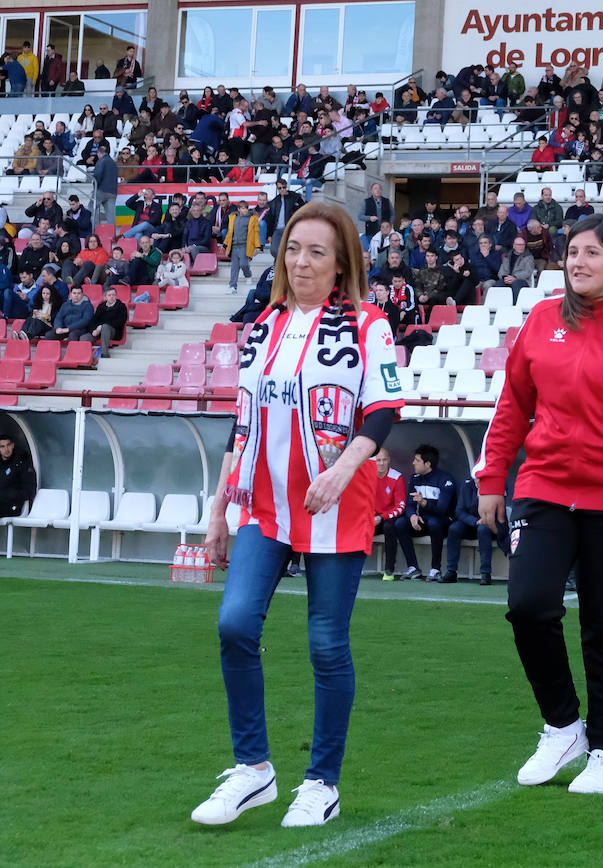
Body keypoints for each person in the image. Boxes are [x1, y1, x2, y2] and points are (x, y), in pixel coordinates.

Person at [192, 202, 404, 828]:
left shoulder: (369, 324)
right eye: (292, 250)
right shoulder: (263, 324)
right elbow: (242, 421)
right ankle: (253, 770)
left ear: (341, 263)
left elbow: (385, 409)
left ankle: (321, 782)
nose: (301, 262)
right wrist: (219, 505)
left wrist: (343, 470)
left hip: (335, 509)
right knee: (234, 625)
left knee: (325, 644)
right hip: (262, 505)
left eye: (316, 252)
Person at [474, 213, 603, 794]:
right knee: (529, 604)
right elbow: (512, 405)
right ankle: (563, 724)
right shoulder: (541, 320)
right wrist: (492, 477)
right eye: (572, 252)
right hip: (543, 487)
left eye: (592, 252)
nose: (578, 262)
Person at [383, 444, 455, 581]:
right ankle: (413, 568)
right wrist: (412, 516)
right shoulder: (415, 478)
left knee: (434, 523)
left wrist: (424, 503)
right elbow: (409, 504)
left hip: (442, 522)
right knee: (400, 523)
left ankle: (435, 569)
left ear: (427, 464)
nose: (413, 463)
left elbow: (441, 510)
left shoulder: (445, 480)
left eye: (417, 460)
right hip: (422, 520)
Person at [443, 474, 509, 585]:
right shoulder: (467, 484)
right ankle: (451, 571)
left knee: (483, 529)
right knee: (454, 529)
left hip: (492, 524)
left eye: (481, 478)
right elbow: (459, 511)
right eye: (476, 478)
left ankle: (485, 573)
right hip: (472, 523)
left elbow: (499, 512)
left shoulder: (497, 485)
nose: (477, 481)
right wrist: (475, 521)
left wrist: (484, 520)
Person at [74, 285, 127, 358]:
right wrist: (94, 330)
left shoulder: (121, 306)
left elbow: (121, 322)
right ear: (105, 297)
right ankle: (83, 358)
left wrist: (101, 326)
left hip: (113, 331)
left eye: (113, 295)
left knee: (105, 327)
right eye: (109, 295)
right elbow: (93, 320)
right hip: (98, 331)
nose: (112, 297)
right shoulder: (101, 306)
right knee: (84, 338)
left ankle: (104, 353)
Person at [0, 433, 37, 517]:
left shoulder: (22, 462)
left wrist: (9, 495)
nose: (6, 449)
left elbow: (29, 490)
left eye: (8, 445)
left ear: (12, 445)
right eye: (2, 446)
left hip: (14, 505)